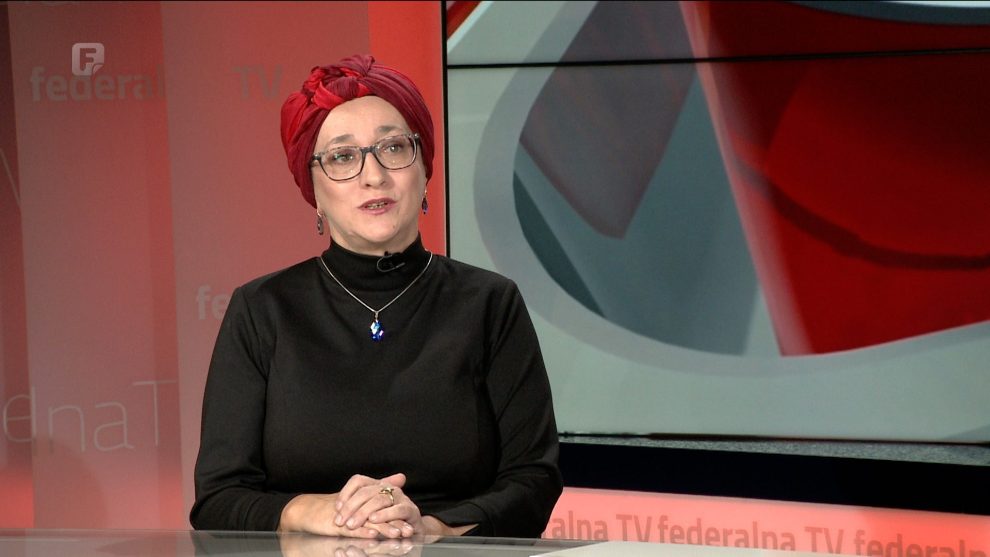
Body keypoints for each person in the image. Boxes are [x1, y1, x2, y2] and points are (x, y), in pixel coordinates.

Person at [189, 54, 562, 539]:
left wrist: (431, 529)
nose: (374, 175)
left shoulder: (490, 303)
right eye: (343, 157)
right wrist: (319, 513)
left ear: (424, 168)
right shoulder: (262, 310)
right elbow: (218, 498)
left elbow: (534, 479)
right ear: (313, 189)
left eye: (393, 148)